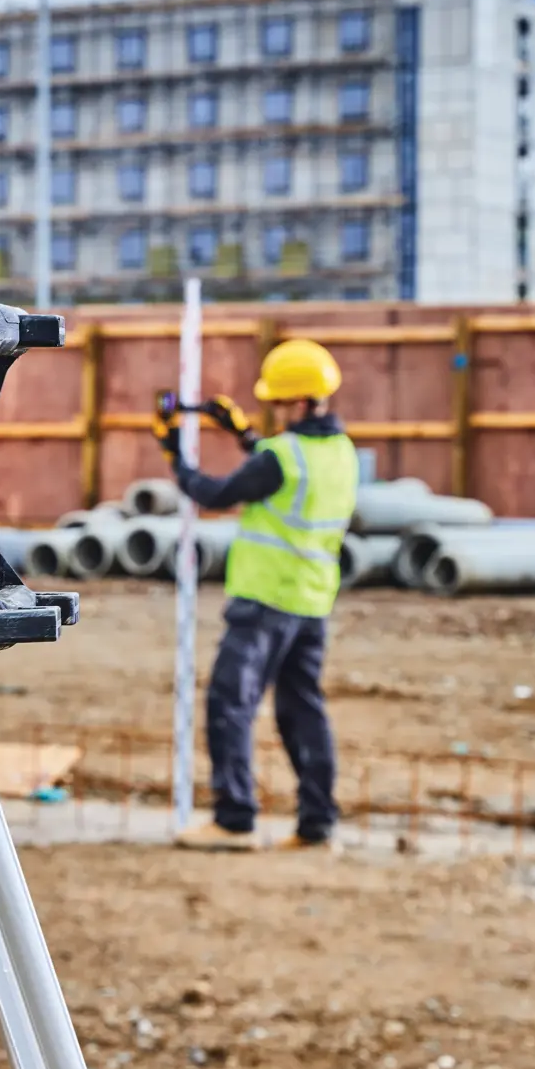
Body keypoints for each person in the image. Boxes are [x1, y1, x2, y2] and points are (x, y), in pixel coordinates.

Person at [158, 339, 359, 851]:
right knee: (303, 711)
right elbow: (279, 477)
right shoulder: (340, 452)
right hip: (311, 602)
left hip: (266, 601)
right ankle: (317, 824)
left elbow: (216, 493)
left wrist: (174, 455)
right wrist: (243, 434)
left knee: (230, 703)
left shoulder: (283, 456)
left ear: (295, 402)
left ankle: (234, 818)